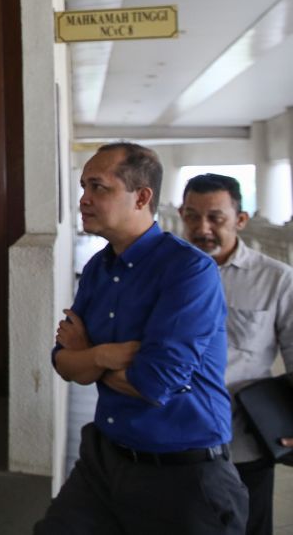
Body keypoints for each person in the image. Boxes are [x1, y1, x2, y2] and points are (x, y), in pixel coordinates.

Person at [35, 142, 248, 534]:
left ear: (142, 197)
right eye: (83, 186)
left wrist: (89, 356)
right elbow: (63, 363)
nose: (84, 199)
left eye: (98, 187)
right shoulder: (99, 267)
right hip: (105, 459)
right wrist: (105, 356)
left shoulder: (188, 270)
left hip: (183, 474)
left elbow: (155, 382)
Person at [180, 173, 293, 535]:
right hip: (173, 434)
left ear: (240, 220)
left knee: (248, 526)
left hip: (243, 439)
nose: (203, 228)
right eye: (192, 216)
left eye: (216, 217)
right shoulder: (165, 273)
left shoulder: (276, 279)